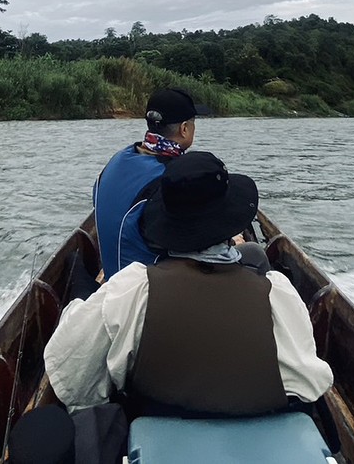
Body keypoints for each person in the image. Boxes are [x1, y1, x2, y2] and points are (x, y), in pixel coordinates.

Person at [47, 151, 333, 416]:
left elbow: (71, 379)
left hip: (154, 433)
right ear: (231, 226)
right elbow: (309, 386)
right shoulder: (276, 294)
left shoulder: (130, 291)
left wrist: (74, 310)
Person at [92, 87, 208, 277]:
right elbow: (192, 241)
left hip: (113, 281)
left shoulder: (116, 161)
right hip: (145, 292)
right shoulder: (171, 178)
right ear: (184, 129)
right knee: (250, 254)